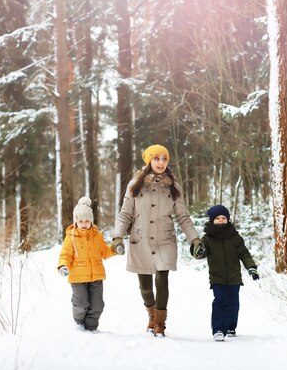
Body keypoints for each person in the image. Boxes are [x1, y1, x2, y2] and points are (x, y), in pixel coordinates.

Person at [111, 144, 202, 337]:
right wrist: (117, 236)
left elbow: (183, 216)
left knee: (162, 280)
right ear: (149, 160)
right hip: (140, 239)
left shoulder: (172, 186)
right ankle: (151, 316)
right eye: (157, 158)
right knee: (145, 287)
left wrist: (195, 240)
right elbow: (125, 214)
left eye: (164, 159)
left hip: (164, 239)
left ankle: (160, 324)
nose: (161, 162)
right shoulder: (135, 184)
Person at [192, 204, 259, 342]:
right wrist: (198, 250)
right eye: (218, 218)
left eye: (224, 218)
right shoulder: (207, 238)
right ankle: (218, 329)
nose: (221, 220)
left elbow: (244, 254)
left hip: (234, 277)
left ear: (228, 219)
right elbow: (200, 253)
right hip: (217, 277)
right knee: (220, 301)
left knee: (233, 303)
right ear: (212, 220)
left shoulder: (235, 237)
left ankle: (230, 327)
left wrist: (251, 267)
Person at [58, 196, 122, 331]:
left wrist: (115, 250)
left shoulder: (97, 236)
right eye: (80, 221)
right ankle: (79, 325)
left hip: (96, 276)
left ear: (91, 221)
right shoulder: (71, 237)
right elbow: (65, 254)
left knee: (98, 305)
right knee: (81, 303)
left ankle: (91, 329)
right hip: (78, 277)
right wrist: (63, 266)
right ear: (76, 221)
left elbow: (104, 252)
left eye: (87, 221)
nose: (84, 223)